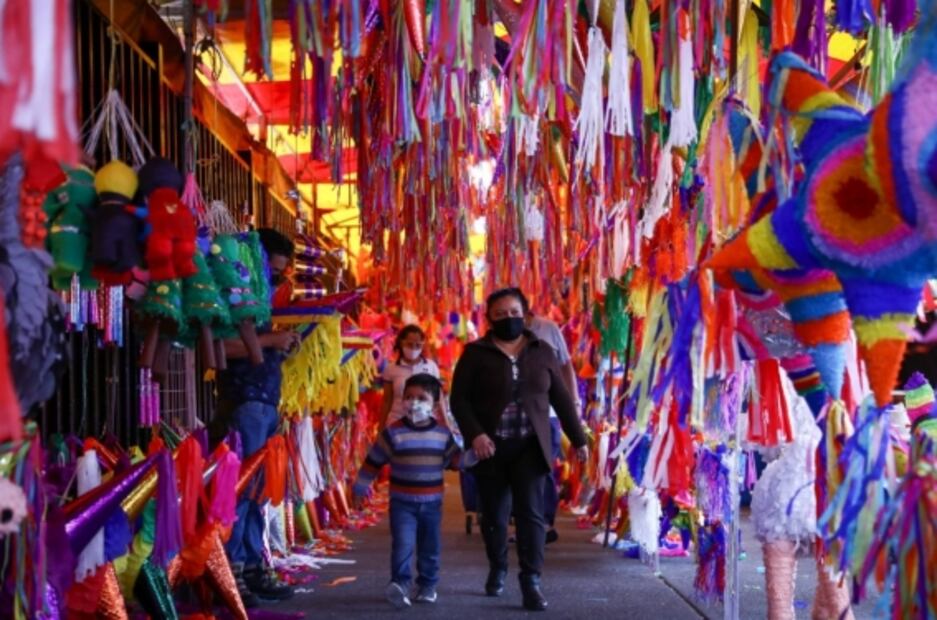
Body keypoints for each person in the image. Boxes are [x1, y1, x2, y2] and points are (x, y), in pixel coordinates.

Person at [451, 287, 589, 611]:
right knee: (495, 517)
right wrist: (476, 435)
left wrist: (579, 439)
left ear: (525, 315)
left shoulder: (543, 352)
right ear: (489, 319)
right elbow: (459, 400)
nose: (509, 319)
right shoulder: (475, 354)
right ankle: (497, 566)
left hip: (531, 447)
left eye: (514, 313)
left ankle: (531, 581)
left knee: (531, 515)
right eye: (501, 314)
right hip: (491, 449)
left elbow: (562, 399)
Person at [214, 227, 300, 607]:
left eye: (282, 275)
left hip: (264, 403)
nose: (277, 280)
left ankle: (251, 567)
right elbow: (219, 348)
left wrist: (280, 344)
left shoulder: (259, 302)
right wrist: (270, 342)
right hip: (245, 402)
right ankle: (231, 569)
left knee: (256, 492)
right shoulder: (234, 294)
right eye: (274, 271)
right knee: (242, 491)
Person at [353, 374, 460, 609]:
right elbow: (374, 460)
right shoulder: (393, 432)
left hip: (432, 504)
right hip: (402, 503)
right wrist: (360, 485)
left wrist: (471, 454)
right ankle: (400, 585)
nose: (414, 402)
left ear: (434, 404)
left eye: (421, 398)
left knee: (429, 546)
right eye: (409, 397)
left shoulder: (442, 434)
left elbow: (456, 462)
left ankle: (428, 584)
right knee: (403, 544)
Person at [527, 311, 580, 543]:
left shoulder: (548, 328)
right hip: (514, 414)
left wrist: (574, 399)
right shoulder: (500, 333)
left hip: (547, 413)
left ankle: (546, 523)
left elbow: (566, 364)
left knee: (544, 467)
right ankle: (524, 522)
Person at [380, 324, 442, 428]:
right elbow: (387, 401)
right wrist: (381, 427)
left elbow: (439, 399)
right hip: (397, 422)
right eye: (409, 344)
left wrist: (445, 423)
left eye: (418, 345)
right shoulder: (391, 369)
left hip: (425, 423)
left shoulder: (431, 367)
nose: (413, 348)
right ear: (401, 342)